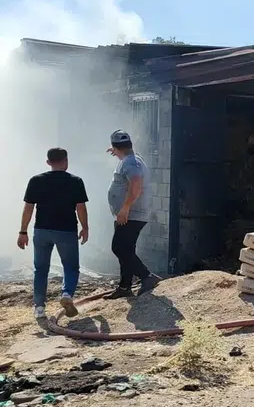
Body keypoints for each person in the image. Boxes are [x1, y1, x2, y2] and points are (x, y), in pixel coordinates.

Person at [18, 147, 89, 324]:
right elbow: (81, 207)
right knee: (70, 267)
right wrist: (85, 227)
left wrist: (23, 231)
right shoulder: (75, 181)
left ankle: (39, 308)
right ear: (66, 161)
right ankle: (67, 294)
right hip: (66, 231)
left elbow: (28, 208)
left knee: (40, 269)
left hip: (42, 231)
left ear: (48, 162)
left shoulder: (36, 180)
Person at [105, 129, 157, 299]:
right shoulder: (130, 159)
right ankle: (125, 286)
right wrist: (118, 152)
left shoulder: (131, 163)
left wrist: (125, 207)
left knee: (119, 248)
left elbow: (136, 184)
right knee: (126, 249)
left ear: (116, 147)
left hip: (132, 214)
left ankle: (147, 276)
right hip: (130, 213)